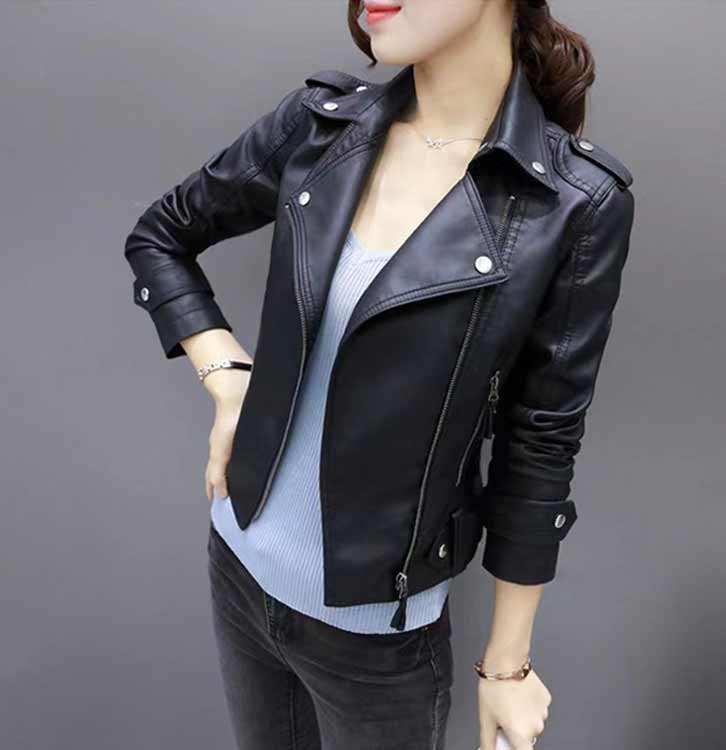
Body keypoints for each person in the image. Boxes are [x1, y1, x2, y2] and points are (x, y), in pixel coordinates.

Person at [123, 1, 636, 748]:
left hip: (376, 643)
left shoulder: (573, 202)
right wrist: (227, 375)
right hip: (238, 565)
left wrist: (507, 666)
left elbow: (541, 441)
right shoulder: (320, 124)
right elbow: (161, 236)